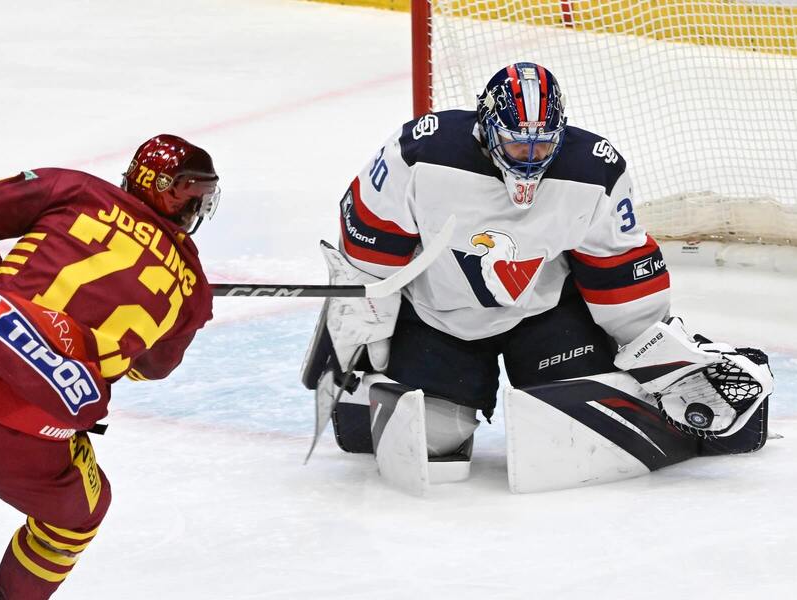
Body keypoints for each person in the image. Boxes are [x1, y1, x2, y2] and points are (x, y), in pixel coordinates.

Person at [303, 62, 773, 486]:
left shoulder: (594, 172)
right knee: (430, 444)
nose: (529, 158)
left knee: (578, 430)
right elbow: (370, 244)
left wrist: (655, 352)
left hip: (544, 316)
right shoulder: (421, 155)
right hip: (440, 318)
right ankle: (376, 394)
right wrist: (367, 333)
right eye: (514, 141)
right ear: (487, 128)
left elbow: (619, 269)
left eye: (543, 143)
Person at [0, 134, 220, 599]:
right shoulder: (192, 290)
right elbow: (149, 369)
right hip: (27, 440)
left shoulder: (77, 190)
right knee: (76, 520)